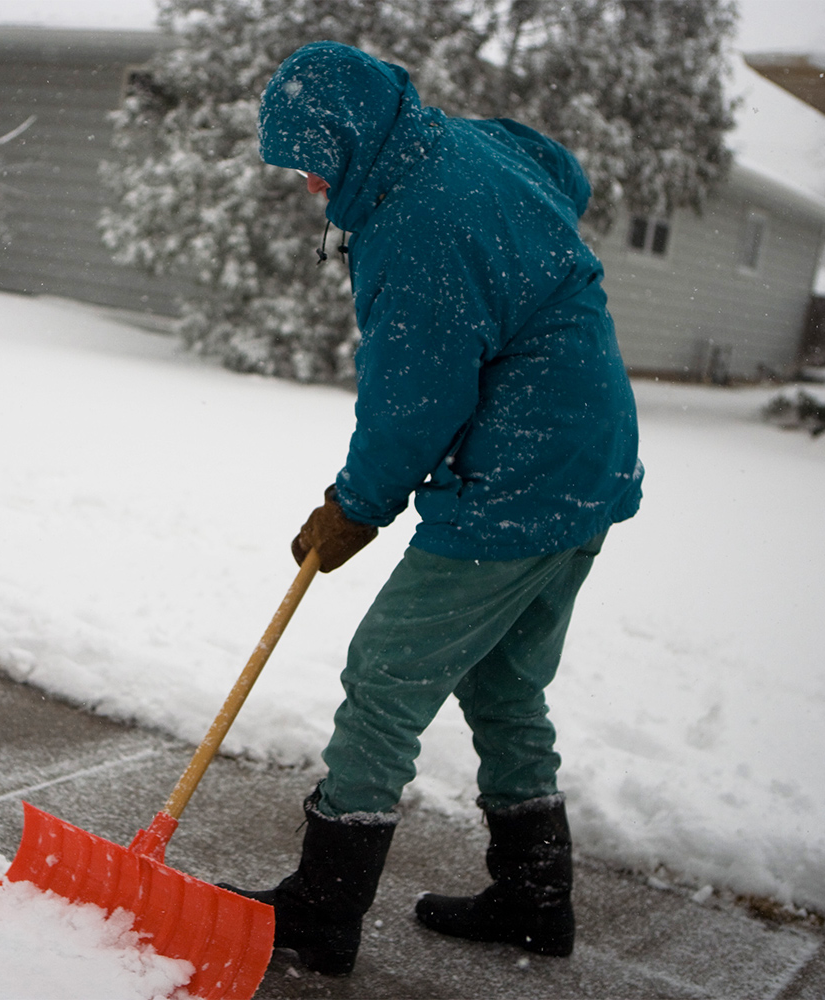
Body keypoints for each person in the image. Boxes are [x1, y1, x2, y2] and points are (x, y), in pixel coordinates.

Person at [222, 41, 643, 975]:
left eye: (312, 164)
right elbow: (554, 169)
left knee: (384, 678)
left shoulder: (414, 226)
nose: (308, 187)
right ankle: (536, 899)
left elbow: (416, 395)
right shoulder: (455, 147)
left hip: (519, 476)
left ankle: (322, 913)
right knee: (502, 684)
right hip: (592, 457)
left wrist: (355, 507)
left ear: (348, 141)